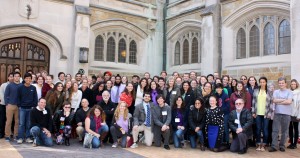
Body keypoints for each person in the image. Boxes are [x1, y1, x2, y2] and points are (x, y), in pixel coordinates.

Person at [269, 77, 293, 152]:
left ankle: (282, 145)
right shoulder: (276, 91)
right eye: (280, 83)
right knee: (275, 130)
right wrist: (284, 100)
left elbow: (289, 102)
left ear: (285, 83)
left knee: (284, 131)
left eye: (282, 83)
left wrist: (278, 101)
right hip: (277, 113)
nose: (281, 84)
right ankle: (274, 146)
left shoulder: (289, 92)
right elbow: (274, 100)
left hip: (286, 114)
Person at [252, 77, 272, 151]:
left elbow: (271, 104)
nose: (262, 83)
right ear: (259, 83)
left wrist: (269, 113)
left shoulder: (269, 91)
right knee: (258, 129)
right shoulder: (256, 90)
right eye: (261, 82)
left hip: (266, 114)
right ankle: (258, 143)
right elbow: (253, 102)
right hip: (257, 113)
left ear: (266, 82)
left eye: (264, 82)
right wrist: (253, 112)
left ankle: (264, 144)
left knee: (265, 130)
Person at [17, 73, 38, 144]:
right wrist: (19, 105)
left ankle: (28, 137)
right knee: (21, 124)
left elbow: (35, 98)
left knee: (29, 124)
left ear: (31, 79)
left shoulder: (33, 88)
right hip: (22, 108)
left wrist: (33, 106)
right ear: (24, 79)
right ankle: (20, 137)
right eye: (26, 78)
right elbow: (18, 97)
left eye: (29, 78)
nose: (28, 79)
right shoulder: (20, 87)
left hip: (30, 109)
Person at [4, 72, 21, 141]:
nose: (17, 77)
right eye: (15, 76)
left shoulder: (21, 85)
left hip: (18, 106)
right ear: (13, 77)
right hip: (10, 105)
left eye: (18, 76)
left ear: (20, 77)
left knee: (17, 122)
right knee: (9, 121)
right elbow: (6, 95)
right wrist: (7, 104)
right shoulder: (10, 85)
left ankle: (16, 135)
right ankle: (7, 135)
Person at [0, 73, 13, 138]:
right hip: (4, 105)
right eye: (10, 77)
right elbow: (1, 95)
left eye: (13, 77)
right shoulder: (3, 85)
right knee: (2, 119)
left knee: (10, 120)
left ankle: (9, 133)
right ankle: (1, 133)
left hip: (12, 105)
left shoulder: (15, 85)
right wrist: (6, 103)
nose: (12, 78)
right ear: (8, 78)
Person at [288, 79, 300, 149]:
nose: (293, 85)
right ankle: (291, 143)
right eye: (292, 84)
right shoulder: (289, 92)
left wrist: (299, 115)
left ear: (296, 85)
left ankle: (295, 144)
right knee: (290, 128)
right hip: (289, 113)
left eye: (294, 84)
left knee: (295, 129)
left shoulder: (298, 93)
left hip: (296, 113)